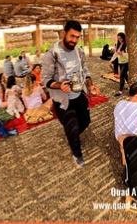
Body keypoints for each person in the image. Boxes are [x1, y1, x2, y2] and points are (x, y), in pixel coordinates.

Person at [41, 20, 100, 168]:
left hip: (79, 95)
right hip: (63, 99)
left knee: (85, 121)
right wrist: (59, 85)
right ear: (64, 33)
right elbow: (45, 78)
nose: (74, 40)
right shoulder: (52, 54)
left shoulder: (79, 50)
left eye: (77, 37)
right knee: (73, 127)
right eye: (72, 36)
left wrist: (90, 84)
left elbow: (85, 69)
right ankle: (76, 153)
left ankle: (71, 135)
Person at [114, 32, 129, 97]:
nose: (119, 39)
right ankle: (130, 86)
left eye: (120, 38)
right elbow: (116, 54)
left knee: (122, 76)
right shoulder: (119, 45)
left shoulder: (126, 45)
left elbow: (129, 55)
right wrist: (111, 61)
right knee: (126, 76)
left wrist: (122, 54)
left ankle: (120, 91)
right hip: (121, 62)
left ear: (123, 38)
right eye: (118, 38)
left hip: (126, 63)